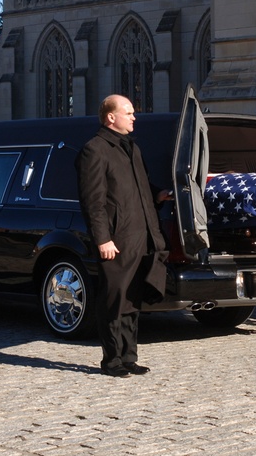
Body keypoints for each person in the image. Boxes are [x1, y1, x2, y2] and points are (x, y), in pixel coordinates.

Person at [76, 95, 170, 377]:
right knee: (114, 299)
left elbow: (140, 185)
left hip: (142, 236)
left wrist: (158, 194)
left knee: (132, 299)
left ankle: (129, 356)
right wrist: (102, 239)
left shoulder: (132, 148)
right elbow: (93, 201)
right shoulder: (94, 150)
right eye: (128, 113)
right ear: (110, 118)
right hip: (116, 240)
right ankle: (112, 360)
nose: (134, 117)